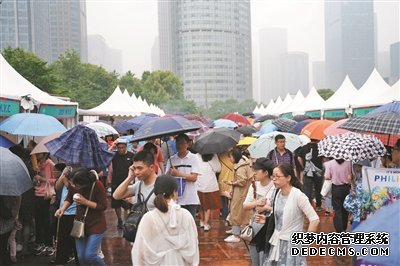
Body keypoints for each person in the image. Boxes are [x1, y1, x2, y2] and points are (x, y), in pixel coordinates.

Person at [131, 175, 199, 265]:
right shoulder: (185, 215)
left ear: (155, 193)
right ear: (175, 192)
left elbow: (139, 251)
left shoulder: (148, 218)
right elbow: (193, 244)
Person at [262, 163, 319, 266]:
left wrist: (305, 243)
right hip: (277, 242)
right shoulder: (277, 193)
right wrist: (265, 219)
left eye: (277, 176)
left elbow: (314, 219)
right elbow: (279, 216)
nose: (274, 179)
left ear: (288, 178)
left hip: (292, 244)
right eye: (273, 176)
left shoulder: (298, 196)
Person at [55, 167, 107, 266]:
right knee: (81, 257)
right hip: (79, 223)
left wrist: (85, 202)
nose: (73, 186)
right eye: (72, 184)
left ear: (84, 183)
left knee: (90, 255)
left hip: (96, 224)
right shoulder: (73, 183)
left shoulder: (97, 185)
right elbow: (69, 197)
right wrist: (62, 209)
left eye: (76, 185)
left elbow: (103, 206)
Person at [243, 158, 276, 266]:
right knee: (255, 256)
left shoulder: (275, 187)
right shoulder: (254, 186)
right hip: (255, 224)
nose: (254, 174)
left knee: (266, 256)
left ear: (266, 172)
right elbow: (245, 205)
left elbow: (280, 209)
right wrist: (256, 203)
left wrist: (266, 208)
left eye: (256, 171)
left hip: (269, 226)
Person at [166, 133, 201, 219]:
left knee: (190, 225)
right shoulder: (171, 160)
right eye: (177, 143)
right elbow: (166, 178)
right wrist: (170, 174)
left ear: (188, 144)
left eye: (182, 143)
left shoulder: (194, 158)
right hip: (176, 199)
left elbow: (194, 178)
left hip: (190, 198)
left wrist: (178, 174)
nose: (179, 145)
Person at [224, 148, 253, 243]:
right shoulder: (244, 164)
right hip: (241, 192)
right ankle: (234, 229)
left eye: (231, 157)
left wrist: (231, 183)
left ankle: (236, 234)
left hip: (240, 193)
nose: (230, 159)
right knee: (236, 211)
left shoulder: (240, 167)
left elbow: (242, 181)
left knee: (236, 212)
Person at [53, 165, 79, 265]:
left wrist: (67, 181)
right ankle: (61, 259)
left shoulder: (79, 172)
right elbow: (57, 187)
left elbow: (74, 191)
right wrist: (63, 175)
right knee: (62, 238)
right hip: (63, 211)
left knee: (75, 239)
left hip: (75, 211)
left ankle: (77, 259)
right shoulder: (66, 171)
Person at [107, 138, 135, 229]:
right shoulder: (114, 155)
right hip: (116, 182)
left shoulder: (131, 156)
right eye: (119, 148)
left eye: (123, 147)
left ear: (126, 147)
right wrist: (112, 146)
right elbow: (105, 155)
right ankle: (119, 220)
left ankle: (126, 221)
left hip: (127, 183)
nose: (121, 149)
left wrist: (132, 181)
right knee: (116, 204)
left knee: (126, 205)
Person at [33, 153, 56, 256]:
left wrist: (43, 179)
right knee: (38, 221)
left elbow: (56, 180)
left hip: (46, 195)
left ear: (45, 153)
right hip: (37, 194)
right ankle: (40, 243)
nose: (36, 154)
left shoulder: (50, 163)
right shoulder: (37, 165)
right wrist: (36, 180)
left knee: (47, 221)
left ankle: (49, 244)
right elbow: (37, 182)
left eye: (39, 153)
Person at [324, 158, 352, 232]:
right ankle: (344, 227)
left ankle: (339, 230)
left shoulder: (330, 163)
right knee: (345, 208)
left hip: (335, 188)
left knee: (337, 210)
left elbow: (327, 177)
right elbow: (352, 176)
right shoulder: (349, 163)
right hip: (346, 188)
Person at [196, 153, 222, 231]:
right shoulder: (213, 155)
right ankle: (206, 224)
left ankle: (201, 221)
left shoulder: (196, 156)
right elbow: (218, 169)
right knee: (208, 205)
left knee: (200, 204)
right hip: (209, 182)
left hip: (199, 182)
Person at [298, 139, 324, 211]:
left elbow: (299, 157)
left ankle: (307, 206)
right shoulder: (320, 148)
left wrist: (303, 165)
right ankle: (318, 206)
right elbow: (324, 158)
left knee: (307, 190)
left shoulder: (304, 147)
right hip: (318, 172)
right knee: (318, 189)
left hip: (307, 172)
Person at [0, 195, 21, 266]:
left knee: (3, 246)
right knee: (4, 245)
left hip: (5, 223)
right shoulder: (16, 194)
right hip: (9, 223)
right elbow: (14, 211)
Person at [217, 151, 234, 222]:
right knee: (231, 200)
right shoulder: (233, 158)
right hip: (231, 179)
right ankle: (229, 217)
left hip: (222, 179)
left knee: (223, 201)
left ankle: (224, 216)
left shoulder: (219, 156)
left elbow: (217, 169)